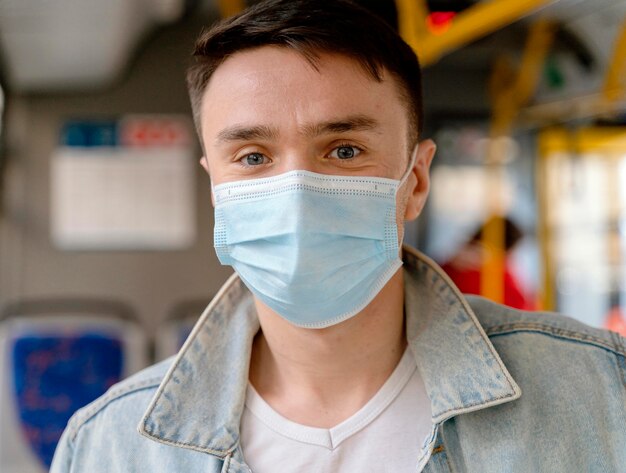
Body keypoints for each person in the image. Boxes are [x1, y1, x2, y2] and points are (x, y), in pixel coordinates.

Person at [51, 1, 626, 472]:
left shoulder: (600, 395)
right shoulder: (111, 448)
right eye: (253, 157)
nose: (297, 190)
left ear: (415, 180)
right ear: (215, 189)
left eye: (345, 150)